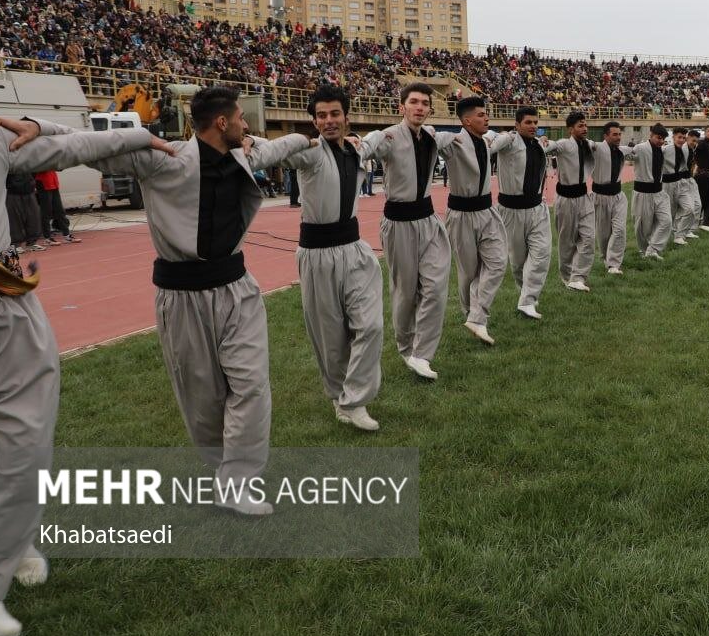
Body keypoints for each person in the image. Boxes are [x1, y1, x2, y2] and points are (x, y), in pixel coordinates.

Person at [0, 113, 164, 636]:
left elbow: (72, 146)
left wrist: (140, 135)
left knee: (27, 445)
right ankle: (14, 542)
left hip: (6, 308)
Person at [99, 87, 312, 514]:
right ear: (221, 122)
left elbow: (281, 147)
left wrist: (313, 139)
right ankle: (221, 470)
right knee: (203, 399)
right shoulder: (164, 159)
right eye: (240, 119)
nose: (246, 126)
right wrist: (139, 136)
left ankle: (238, 482)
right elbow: (91, 150)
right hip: (182, 297)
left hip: (238, 290)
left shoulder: (243, 156)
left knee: (251, 385)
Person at [282, 85, 383, 431]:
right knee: (330, 335)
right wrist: (259, 142)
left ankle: (355, 397)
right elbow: (279, 154)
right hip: (317, 255)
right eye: (321, 116)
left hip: (354, 250)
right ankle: (340, 398)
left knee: (370, 325)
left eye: (334, 114)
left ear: (346, 117)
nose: (328, 121)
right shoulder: (309, 153)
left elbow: (379, 137)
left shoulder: (354, 150)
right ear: (314, 120)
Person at [362, 82, 454, 381]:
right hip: (398, 223)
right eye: (413, 102)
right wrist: (359, 142)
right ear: (402, 106)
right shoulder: (390, 136)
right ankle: (406, 346)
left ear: (430, 109)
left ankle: (421, 353)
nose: (419, 107)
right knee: (405, 291)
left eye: (425, 103)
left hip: (428, 221)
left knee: (436, 287)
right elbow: (373, 143)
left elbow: (461, 136)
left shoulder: (430, 136)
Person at [442, 97, 506, 346]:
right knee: (468, 272)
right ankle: (471, 316)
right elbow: (431, 139)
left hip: (486, 212)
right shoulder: (454, 142)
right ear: (467, 120)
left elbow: (496, 137)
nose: (486, 118)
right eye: (481, 115)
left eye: (486, 114)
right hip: (461, 215)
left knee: (497, 261)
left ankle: (477, 317)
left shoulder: (485, 140)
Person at [490, 106, 551, 319]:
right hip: (511, 210)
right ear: (517, 124)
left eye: (535, 122)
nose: (533, 126)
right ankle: (525, 294)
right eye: (528, 122)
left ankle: (528, 301)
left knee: (542, 253)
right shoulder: (509, 141)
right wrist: (495, 139)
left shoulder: (537, 144)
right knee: (517, 261)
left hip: (537, 208)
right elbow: (492, 144)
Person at [547, 111, 595, 291]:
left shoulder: (587, 144)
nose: (585, 128)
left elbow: (595, 146)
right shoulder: (564, 144)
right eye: (580, 126)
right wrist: (545, 141)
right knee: (567, 242)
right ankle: (567, 278)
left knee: (589, 238)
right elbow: (552, 146)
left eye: (585, 125)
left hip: (584, 197)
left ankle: (579, 277)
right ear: (570, 129)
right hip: (566, 199)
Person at [625, 124, 672, 260]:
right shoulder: (640, 148)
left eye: (663, 139)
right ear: (650, 135)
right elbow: (627, 157)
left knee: (666, 221)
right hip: (643, 191)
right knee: (642, 225)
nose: (661, 141)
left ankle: (653, 248)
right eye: (658, 137)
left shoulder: (661, 150)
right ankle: (643, 249)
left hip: (659, 192)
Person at [591, 120, 628, 276]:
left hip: (619, 196)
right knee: (604, 233)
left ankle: (614, 263)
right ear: (605, 136)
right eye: (615, 134)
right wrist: (545, 141)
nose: (618, 137)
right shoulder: (597, 148)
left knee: (619, 230)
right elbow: (585, 143)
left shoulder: (622, 150)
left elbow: (638, 150)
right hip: (600, 196)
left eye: (619, 134)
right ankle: (606, 259)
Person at [665, 127, 699, 245]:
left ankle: (680, 235)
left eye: (683, 138)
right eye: (679, 137)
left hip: (682, 182)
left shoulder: (686, 149)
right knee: (670, 213)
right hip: (668, 184)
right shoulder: (666, 149)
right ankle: (668, 236)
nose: (681, 140)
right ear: (673, 136)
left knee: (690, 209)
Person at [33, 170, 79, 243]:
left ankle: (66, 235)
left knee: (60, 211)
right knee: (46, 212)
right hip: (44, 184)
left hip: (53, 183)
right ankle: (47, 237)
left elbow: (59, 168)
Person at [5, 171, 47, 251]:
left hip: (29, 190)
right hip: (13, 191)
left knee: (34, 217)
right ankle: (16, 244)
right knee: (15, 219)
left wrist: (32, 183)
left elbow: (34, 169)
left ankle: (32, 242)